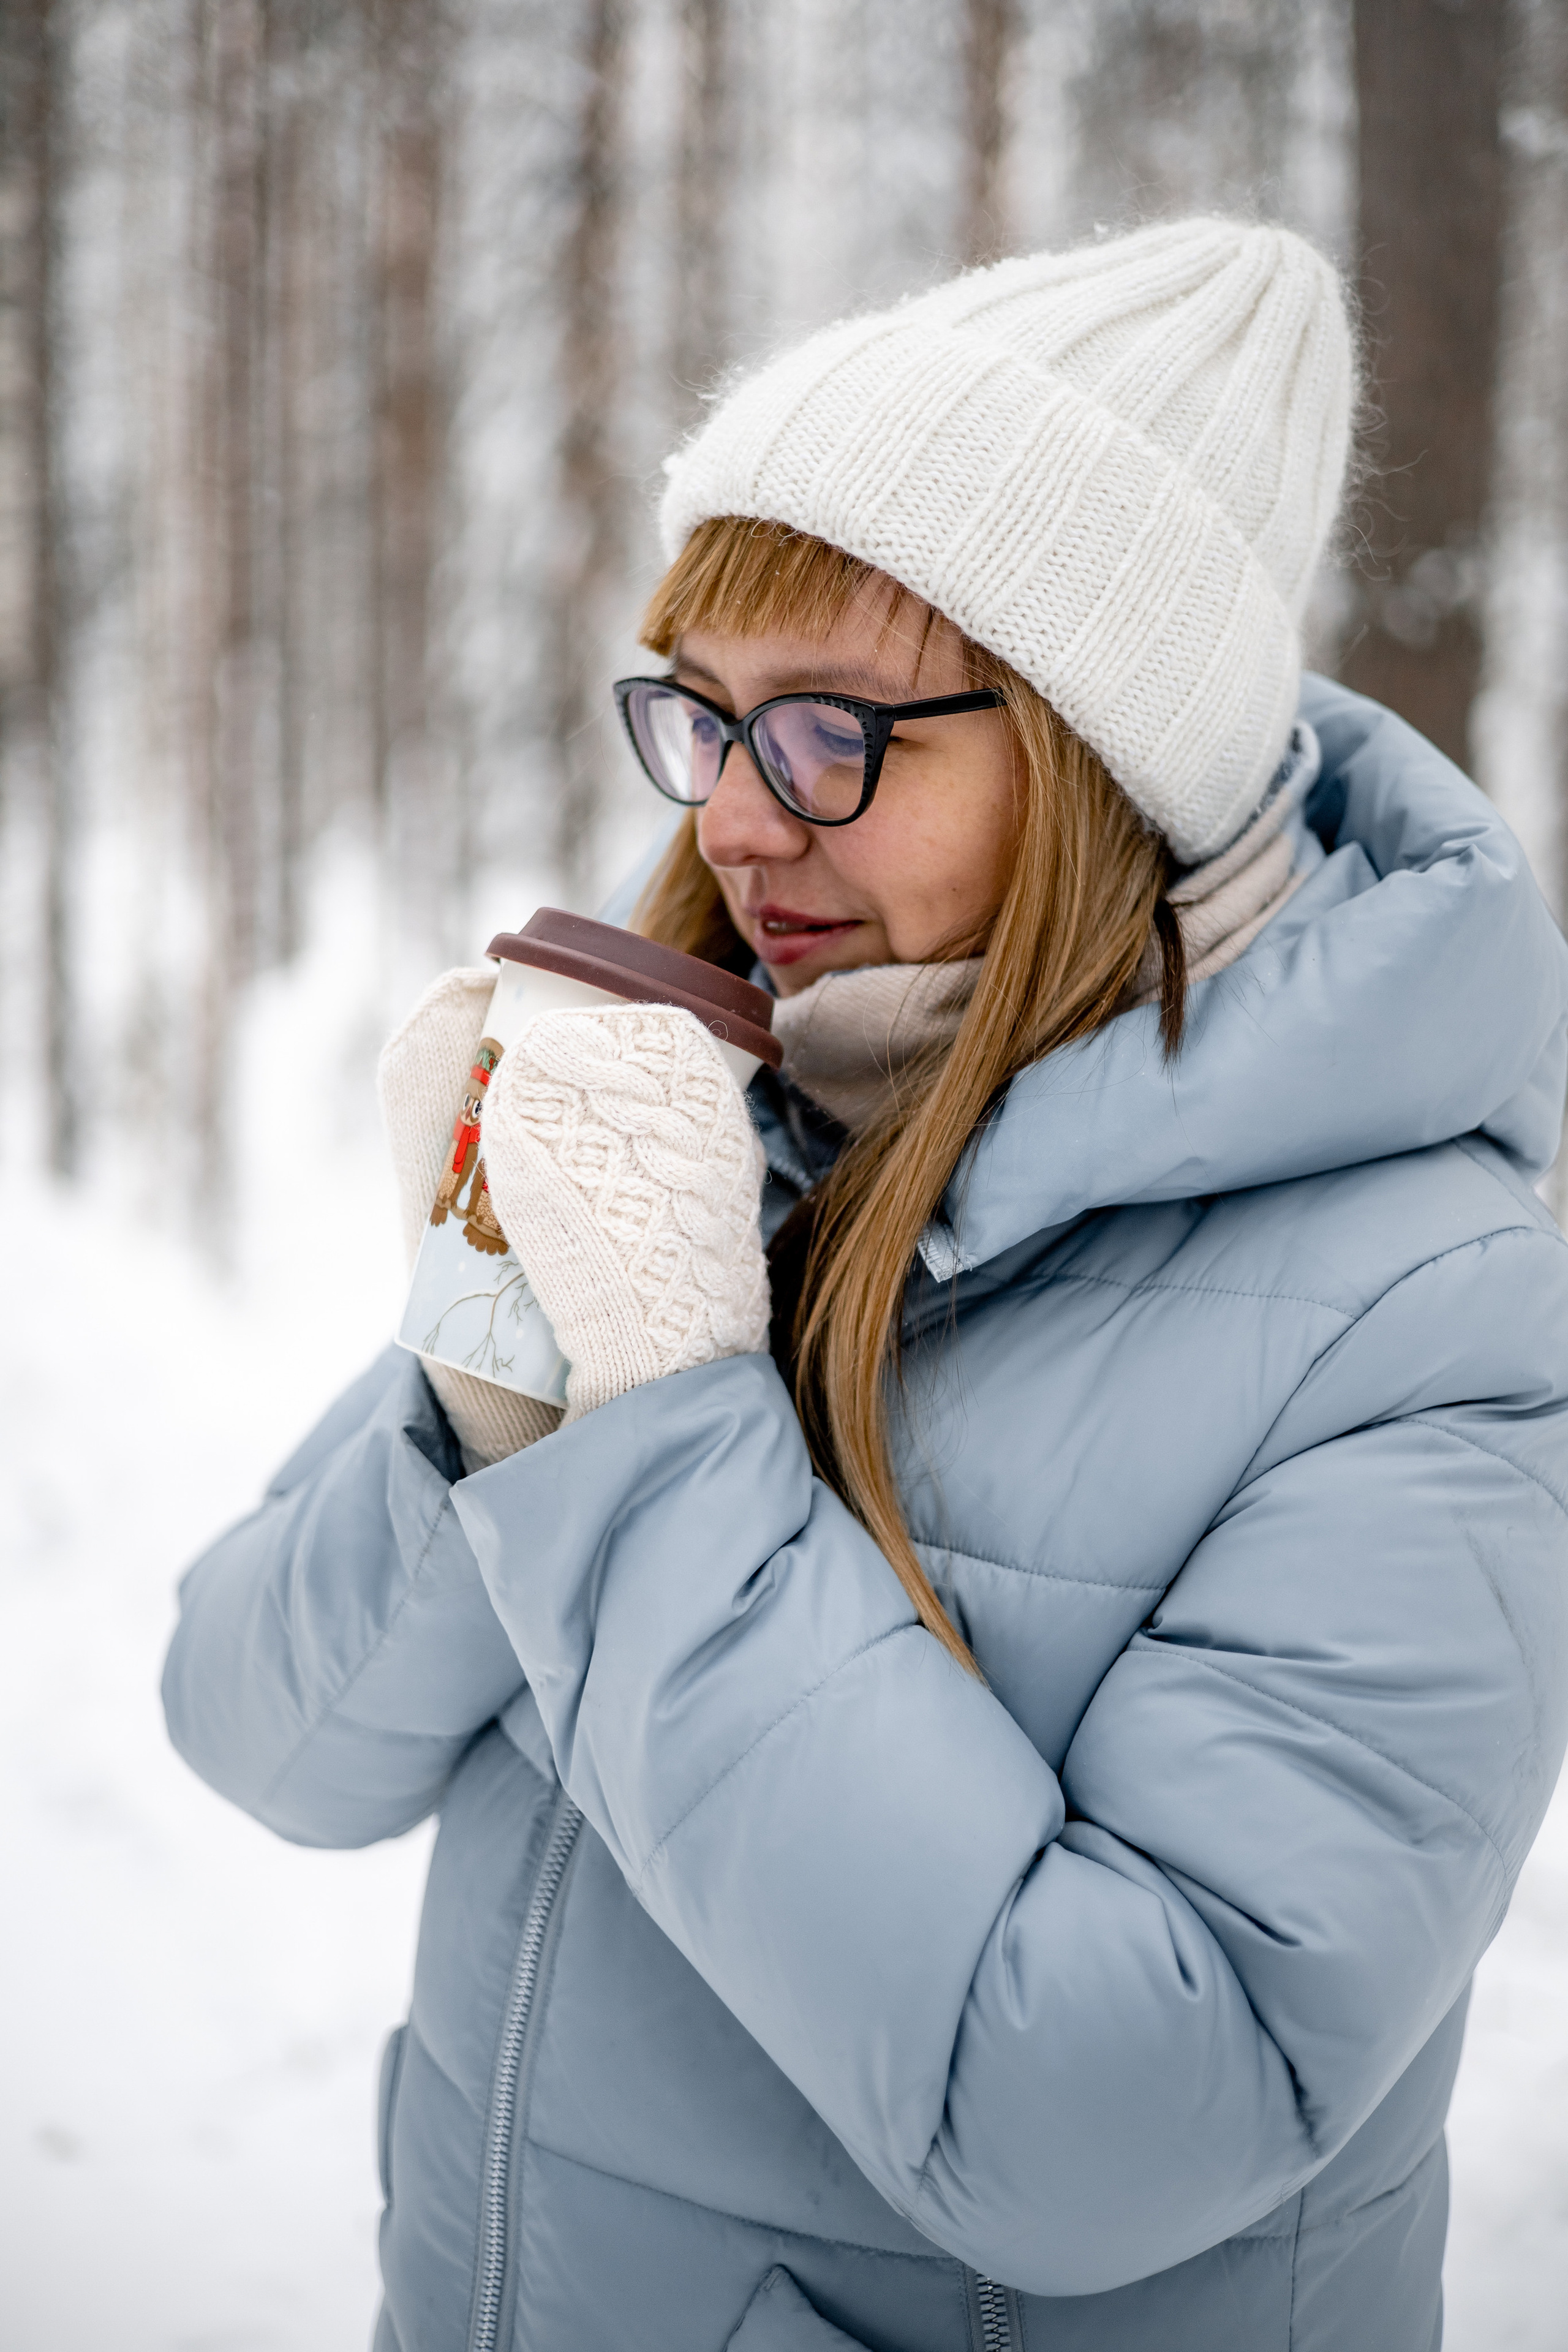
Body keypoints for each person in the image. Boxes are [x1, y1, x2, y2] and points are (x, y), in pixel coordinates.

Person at [162, 217, 1568, 2352]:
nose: (736, 822)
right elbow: (268, 1741)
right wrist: (501, 1340)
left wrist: (655, 1425)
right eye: (706, 719)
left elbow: (1112, 2122)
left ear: (1098, 755)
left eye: (831, 731)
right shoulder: (733, 1114)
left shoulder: (1441, 1323)